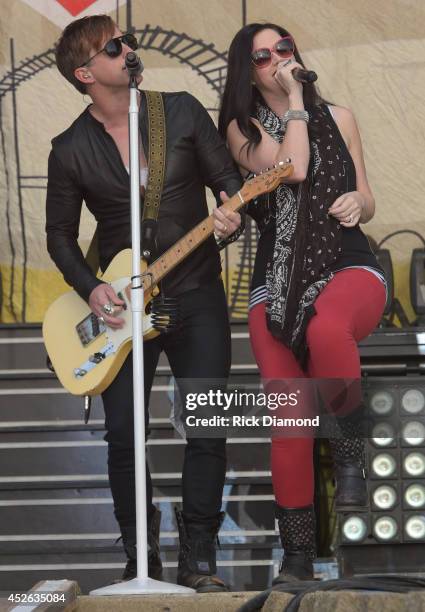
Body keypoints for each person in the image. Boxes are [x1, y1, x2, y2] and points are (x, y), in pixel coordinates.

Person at [46, 14, 243, 591]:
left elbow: (227, 182)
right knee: (125, 435)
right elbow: (59, 234)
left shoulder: (178, 110)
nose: (128, 48)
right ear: (86, 73)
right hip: (122, 308)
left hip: (196, 291)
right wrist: (92, 287)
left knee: (208, 425)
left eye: (127, 40)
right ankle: (140, 558)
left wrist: (230, 212)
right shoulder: (69, 148)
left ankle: (199, 560)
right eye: (114, 46)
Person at [219, 23, 386, 583]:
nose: (275, 60)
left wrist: (357, 205)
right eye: (262, 56)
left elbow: (366, 193)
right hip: (276, 280)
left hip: (348, 265)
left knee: (326, 327)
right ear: (248, 70)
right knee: (289, 418)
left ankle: (347, 456)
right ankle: (295, 561)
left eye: (283, 50)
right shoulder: (239, 132)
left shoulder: (340, 117)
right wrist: (294, 100)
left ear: (296, 53)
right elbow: (294, 167)